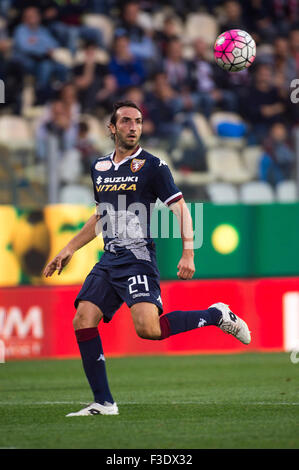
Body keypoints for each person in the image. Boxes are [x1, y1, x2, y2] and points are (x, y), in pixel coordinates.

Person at [43, 100, 251, 417]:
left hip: (137, 259)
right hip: (108, 260)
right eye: (126, 121)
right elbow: (101, 215)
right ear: (112, 128)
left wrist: (188, 252)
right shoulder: (99, 167)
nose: (133, 127)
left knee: (149, 330)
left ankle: (215, 315)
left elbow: (180, 208)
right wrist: (69, 248)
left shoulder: (154, 166)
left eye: (138, 121)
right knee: (83, 319)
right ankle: (104, 402)